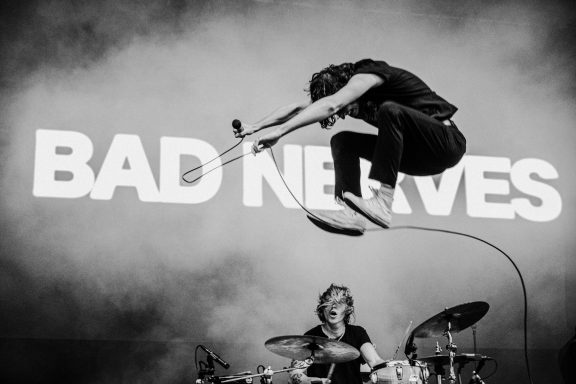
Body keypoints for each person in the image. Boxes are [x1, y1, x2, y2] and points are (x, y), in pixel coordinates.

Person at [233, 59, 466, 235]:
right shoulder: (344, 95)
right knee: (342, 141)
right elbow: (298, 109)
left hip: (445, 143)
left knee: (390, 110)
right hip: (416, 157)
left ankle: (383, 202)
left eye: (345, 106)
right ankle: (351, 213)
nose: (345, 113)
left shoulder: (368, 75)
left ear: (346, 86)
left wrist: (281, 133)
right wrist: (257, 126)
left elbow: (333, 104)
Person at [288, 284, 385, 384]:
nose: (333, 306)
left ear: (348, 309)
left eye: (340, 302)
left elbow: (375, 361)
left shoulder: (358, 333)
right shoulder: (310, 337)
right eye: (329, 302)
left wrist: (390, 370)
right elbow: (294, 375)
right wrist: (314, 381)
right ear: (322, 309)